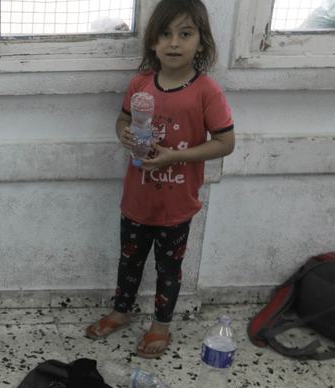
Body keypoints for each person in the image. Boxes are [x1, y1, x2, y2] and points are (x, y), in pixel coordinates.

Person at [85, 0, 234, 358]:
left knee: (169, 269)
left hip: (176, 206)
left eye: (185, 34)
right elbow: (123, 121)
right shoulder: (140, 85)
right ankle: (121, 311)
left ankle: (161, 325)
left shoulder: (206, 92)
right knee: (129, 261)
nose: (173, 43)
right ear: (152, 41)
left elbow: (226, 143)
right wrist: (123, 133)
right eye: (165, 34)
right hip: (136, 201)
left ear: (201, 42)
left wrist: (175, 156)